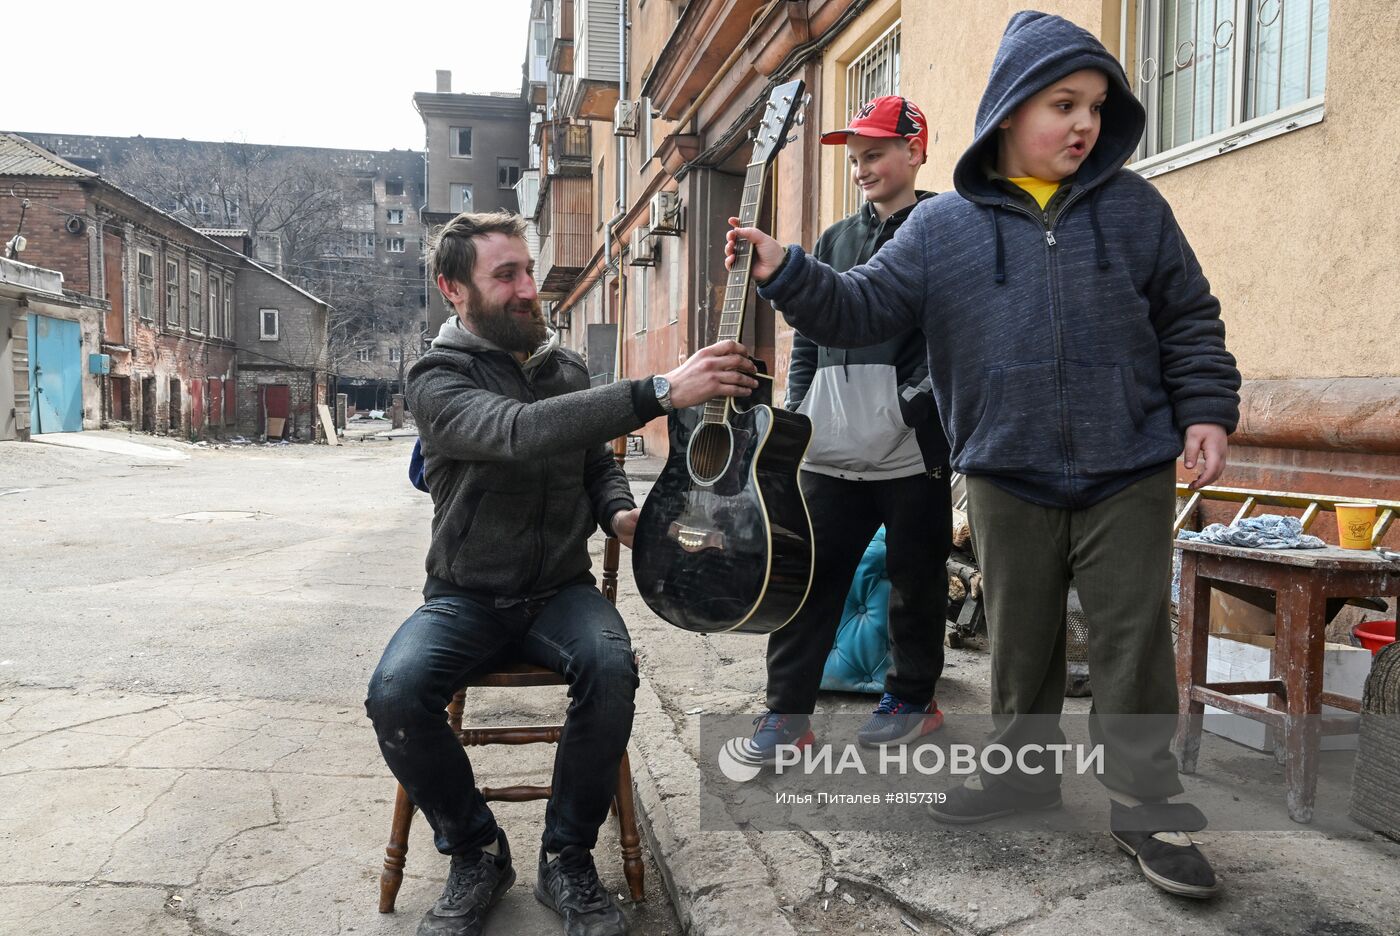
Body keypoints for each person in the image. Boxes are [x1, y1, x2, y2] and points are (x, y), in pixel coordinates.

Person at [727, 12, 1240, 900]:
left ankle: (1145, 807)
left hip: (1130, 463)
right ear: (1008, 113)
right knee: (1022, 643)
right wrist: (785, 270)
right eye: (1062, 104)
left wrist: (1206, 410)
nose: (1084, 123)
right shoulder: (945, 229)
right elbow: (859, 308)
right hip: (1006, 468)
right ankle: (1020, 772)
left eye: (1095, 106)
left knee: (1130, 640)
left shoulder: (1135, 208)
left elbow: (1188, 316)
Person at [365, 210, 758, 936]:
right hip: (465, 596)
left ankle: (566, 857)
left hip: (559, 592)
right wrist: (661, 391)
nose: (526, 290)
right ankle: (477, 851)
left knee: (612, 668)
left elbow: (591, 467)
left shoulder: (565, 369)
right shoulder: (436, 377)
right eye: (504, 275)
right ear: (455, 290)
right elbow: (518, 434)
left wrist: (620, 516)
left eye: (528, 272)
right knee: (395, 693)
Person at [742, 95, 952, 766]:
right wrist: (800, 405)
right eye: (856, 158)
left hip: (911, 449)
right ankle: (787, 716)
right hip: (829, 450)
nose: (862, 168)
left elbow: (950, 337)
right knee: (807, 578)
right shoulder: (835, 239)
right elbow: (808, 331)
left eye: (876, 154)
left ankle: (913, 699)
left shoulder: (944, 229)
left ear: (914, 150)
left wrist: (911, 405)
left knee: (916, 579)